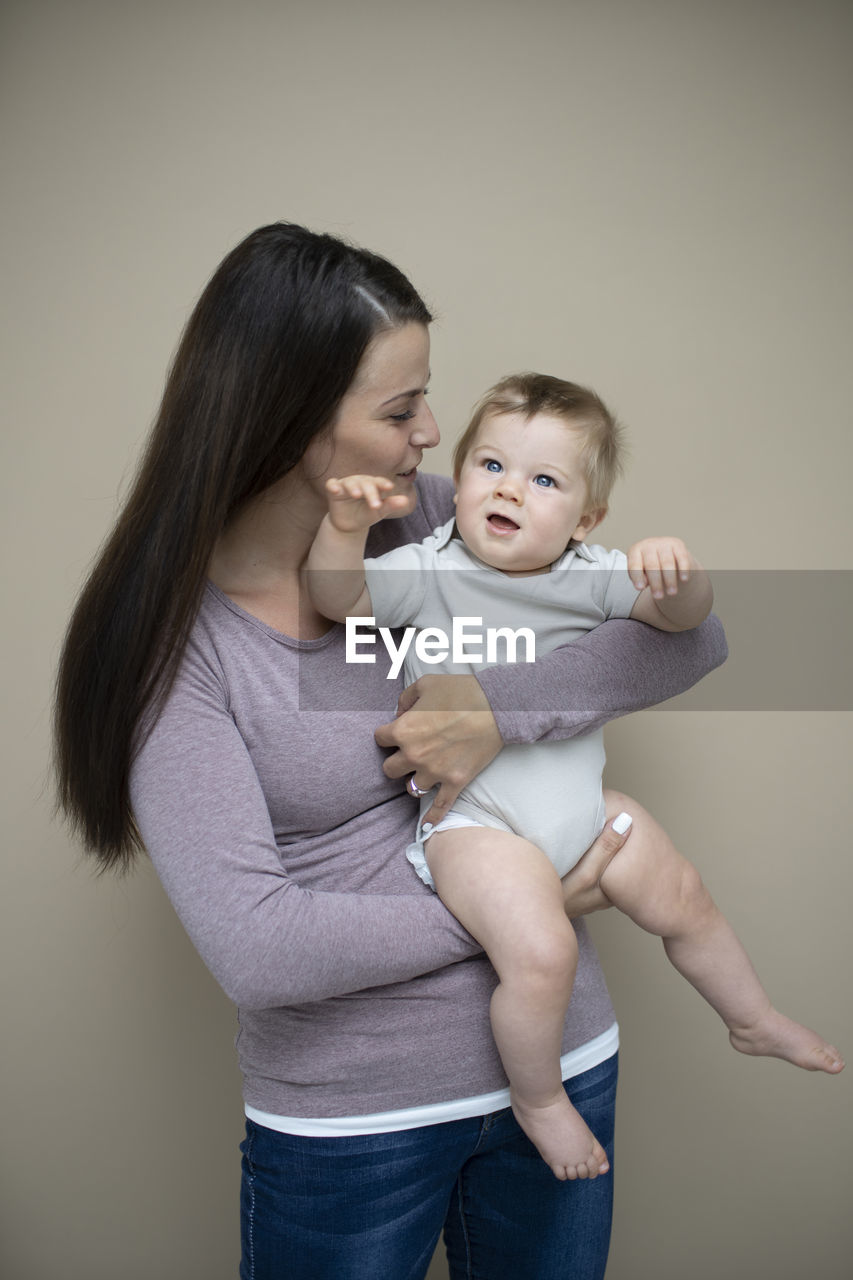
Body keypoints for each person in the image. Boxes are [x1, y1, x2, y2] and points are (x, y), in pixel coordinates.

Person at [54, 223, 731, 1280]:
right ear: (292, 423)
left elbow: (692, 637)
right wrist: (534, 898)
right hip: (353, 1130)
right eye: (398, 407)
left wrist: (496, 709)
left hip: (561, 1063)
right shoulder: (178, 655)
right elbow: (262, 948)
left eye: (427, 394)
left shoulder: (430, 523)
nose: (433, 433)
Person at [306, 371, 844, 1182]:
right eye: (489, 466)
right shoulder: (429, 566)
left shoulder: (588, 571)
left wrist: (679, 577)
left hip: (580, 809)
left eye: (544, 481)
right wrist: (345, 528)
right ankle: (539, 1099)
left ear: (585, 518)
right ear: (458, 480)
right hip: (475, 824)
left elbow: (684, 627)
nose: (509, 491)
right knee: (544, 952)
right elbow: (337, 603)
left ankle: (750, 1017)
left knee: (685, 895)